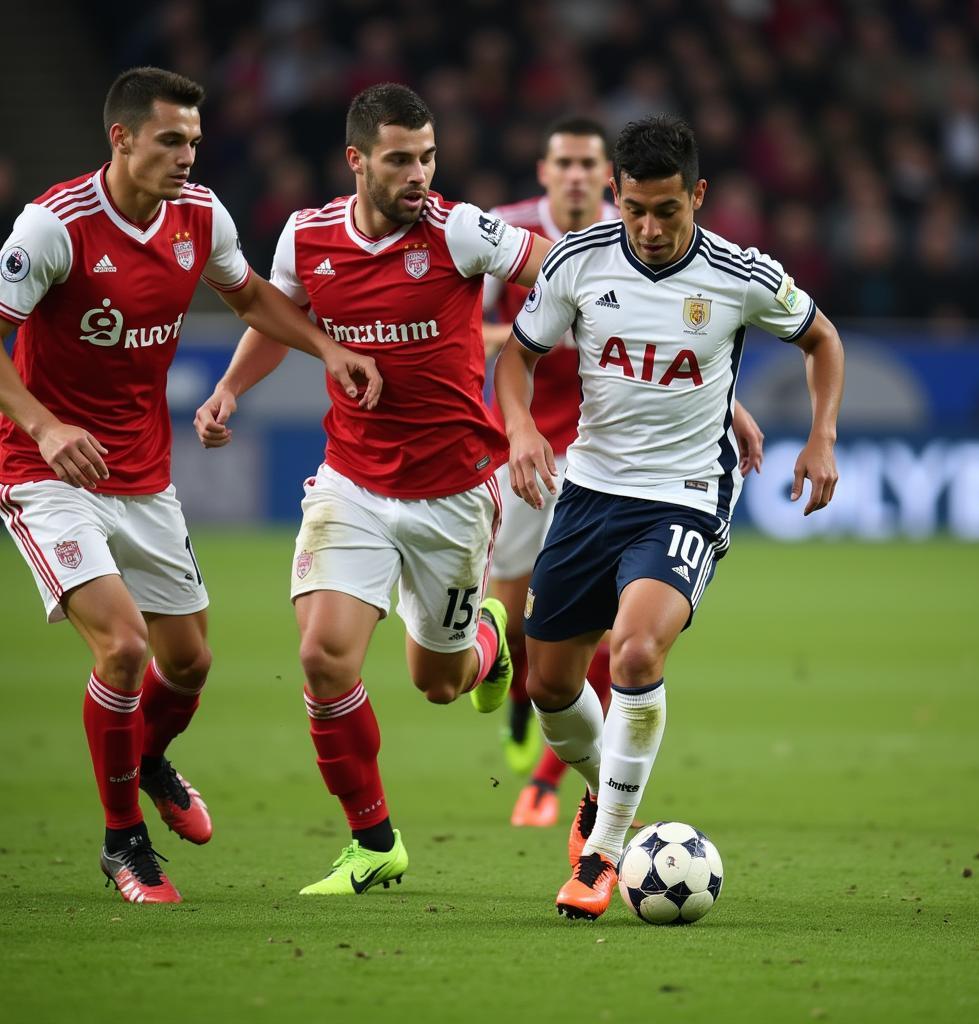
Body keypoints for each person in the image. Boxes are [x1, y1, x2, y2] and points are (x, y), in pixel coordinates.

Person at [0, 67, 382, 905]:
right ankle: (121, 841)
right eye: (171, 140)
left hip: (143, 472)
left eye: (195, 142)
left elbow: (249, 299)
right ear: (123, 138)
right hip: (48, 470)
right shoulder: (53, 228)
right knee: (126, 647)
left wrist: (330, 349)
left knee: (190, 661)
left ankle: (148, 760)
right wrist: (45, 427)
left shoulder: (200, 216)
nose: (187, 156)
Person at [194, 83, 551, 897]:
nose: (418, 173)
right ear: (357, 161)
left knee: (439, 683)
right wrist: (230, 391)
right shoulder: (307, 235)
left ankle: (491, 637)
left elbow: (548, 269)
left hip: (455, 492)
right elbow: (274, 316)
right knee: (322, 656)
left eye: (427, 156)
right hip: (352, 480)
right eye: (399, 160)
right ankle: (373, 841)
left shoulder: (460, 230)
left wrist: (538, 350)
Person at [494, 114, 843, 920]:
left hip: (685, 494)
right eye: (635, 210)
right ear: (616, 195)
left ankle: (603, 852)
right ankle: (602, 792)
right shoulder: (578, 263)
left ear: (699, 197)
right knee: (546, 681)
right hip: (589, 491)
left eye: (668, 212)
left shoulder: (740, 273)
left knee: (637, 649)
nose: (649, 230)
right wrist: (518, 429)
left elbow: (822, 339)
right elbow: (518, 356)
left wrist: (821, 438)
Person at [482, 118, 766, 829]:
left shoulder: (656, 234)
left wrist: (732, 406)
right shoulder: (512, 238)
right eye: (565, 163)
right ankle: (523, 706)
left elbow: (685, 340)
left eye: (585, 162)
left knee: (630, 643)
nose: (576, 177)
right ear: (547, 172)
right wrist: (515, 426)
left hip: (644, 471)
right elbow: (490, 343)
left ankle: (590, 811)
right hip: (533, 453)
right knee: (528, 638)